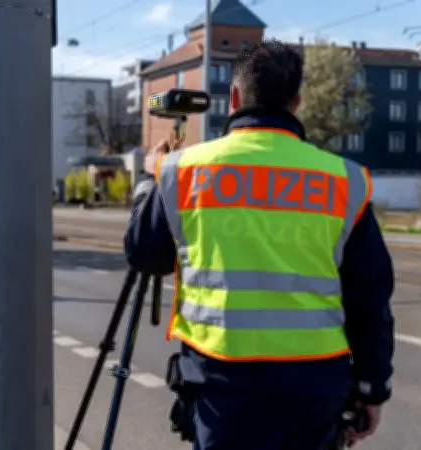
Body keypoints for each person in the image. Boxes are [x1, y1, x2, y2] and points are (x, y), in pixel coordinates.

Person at [125, 39, 395, 450]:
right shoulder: (344, 179)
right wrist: (371, 388)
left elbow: (144, 254)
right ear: (297, 101)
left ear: (234, 97)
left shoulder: (181, 171)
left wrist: (149, 179)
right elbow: (370, 297)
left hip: (220, 388)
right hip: (314, 390)